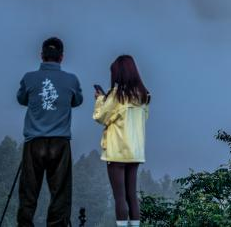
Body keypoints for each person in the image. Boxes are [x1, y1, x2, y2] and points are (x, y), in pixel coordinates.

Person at [16, 37, 84, 227]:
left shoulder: (29, 78)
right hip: (60, 142)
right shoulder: (71, 79)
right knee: (60, 193)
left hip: (34, 141)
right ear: (61, 57)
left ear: (41, 55)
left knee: (29, 191)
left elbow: (22, 99)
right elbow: (77, 101)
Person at [93, 55, 150, 227]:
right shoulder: (144, 96)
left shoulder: (117, 95)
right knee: (131, 195)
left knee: (119, 196)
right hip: (136, 151)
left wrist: (99, 100)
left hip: (117, 152)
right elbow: (143, 119)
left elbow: (100, 117)